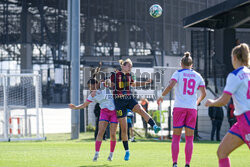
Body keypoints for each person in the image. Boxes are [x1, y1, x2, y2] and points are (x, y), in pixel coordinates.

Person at [157, 52, 207, 167]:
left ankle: (175, 163)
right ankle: (187, 164)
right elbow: (204, 93)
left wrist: (162, 96)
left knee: (176, 137)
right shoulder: (198, 75)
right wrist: (197, 102)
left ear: (181, 63)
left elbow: (170, 86)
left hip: (179, 107)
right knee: (189, 138)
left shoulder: (178, 73)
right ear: (192, 64)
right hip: (192, 109)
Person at [205, 43, 250, 167]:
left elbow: (224, 100)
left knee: (222, 153)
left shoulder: (234, 75)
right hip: (241, 122)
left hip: (247, 120)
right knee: (222, 152)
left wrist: (212, 102)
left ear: (235, 57)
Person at [110, 58, 161, 161]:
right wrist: (107, 82)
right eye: (129, 66)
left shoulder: (129, 76)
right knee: (124, 129)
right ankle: (127, 151)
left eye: (131, 66)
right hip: (119, 103)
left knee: (141, 110)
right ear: (123, 66)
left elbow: (134, 84)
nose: (130, 68)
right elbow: (110, 84)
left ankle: (154, 126)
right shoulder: (115, 75)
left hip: (129, 99)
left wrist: (145, 83)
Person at [69, 78, 118, 162]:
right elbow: (84, 105)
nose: (90, 88)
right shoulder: (92, 95)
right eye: (88, 87)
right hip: (104, 112)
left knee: (113, 134)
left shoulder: (103, 85)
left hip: (114, 112)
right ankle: (96, 153)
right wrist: (75, 107)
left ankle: (111, 154)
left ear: (95, 84)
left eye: (90, 86)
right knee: (100, 132)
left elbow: (110, 82)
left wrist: (104, 81)